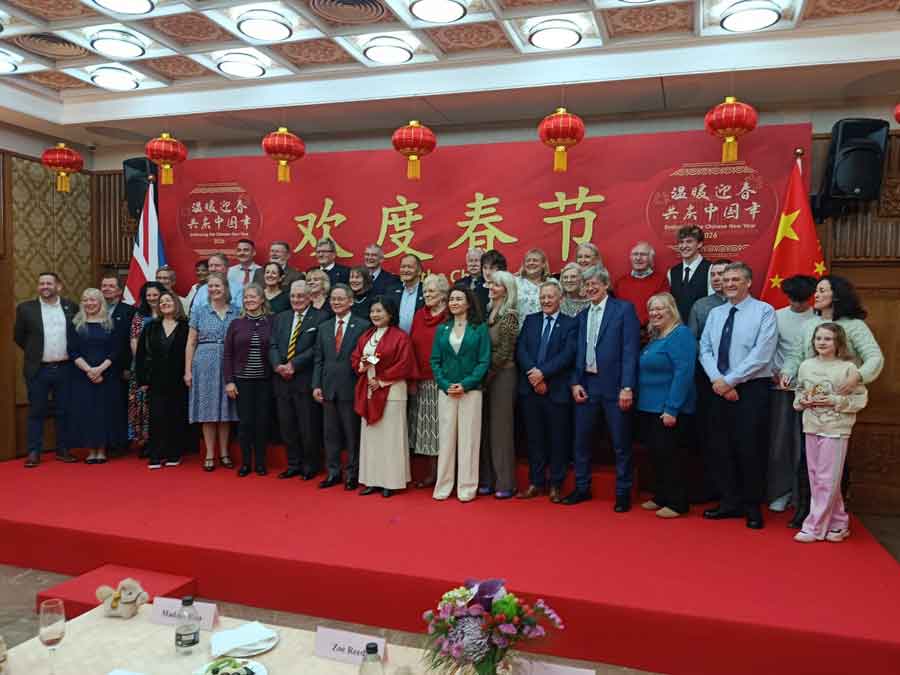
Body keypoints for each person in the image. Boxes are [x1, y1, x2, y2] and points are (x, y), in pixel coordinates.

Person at [780, 274, 884, 528]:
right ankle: (807, 508)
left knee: (835, 464)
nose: (816, 294)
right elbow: (795, 355)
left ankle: (834, 516)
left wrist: (857, 376)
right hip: (810, 402)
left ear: (836, 295)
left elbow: (875, 357)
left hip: (839, 403)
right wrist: (788, 371)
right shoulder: (809, 325)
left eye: (822, 290)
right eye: (816, 290)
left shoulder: (855, 326)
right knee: (808, 460)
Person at [699, 262, 778, 530]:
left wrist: (730, 381)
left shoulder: (764, 312)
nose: (729, 283)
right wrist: (718, 381)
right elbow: (705, 349)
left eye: (735, 279)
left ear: (748, 283)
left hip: (752, 389)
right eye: (725, 278)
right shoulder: (716, 313)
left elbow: (762, 354)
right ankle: (729, 501)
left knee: (750, 448)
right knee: (720, 447)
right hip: (717, 386)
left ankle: (752, 506)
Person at [567, 265, 640, 510]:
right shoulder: (582, 315)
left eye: (594, 284)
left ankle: (622, 493)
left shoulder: (624, 310)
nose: (590, 288)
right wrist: (575, 382)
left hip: (615, 386)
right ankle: (582, 487)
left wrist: (627, 386)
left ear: (606, 284)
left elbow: (630, 351)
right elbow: (578, 352)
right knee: (581, 440)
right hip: (587, 384)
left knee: (620, 443)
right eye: (586, 285)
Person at [792, 323, 868, 543]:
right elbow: (799, 393)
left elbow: (859, 399)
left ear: (838, 343)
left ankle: (813, 527)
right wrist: (802, 401)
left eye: (827, 339)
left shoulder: (848, 369)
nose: (822, 343)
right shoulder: (805, 365)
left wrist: (835, 400)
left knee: (828, 478)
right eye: (818, 338)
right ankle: (838, 522)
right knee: (817, 478)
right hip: (811, 426)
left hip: (836, 429)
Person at [637, 293, 697, 518]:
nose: (655, 313)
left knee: (671, 455)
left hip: (669, 408)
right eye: (652, 309)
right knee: (656, 454)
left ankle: (677, 502)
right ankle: (661, 495)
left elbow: (684, 374)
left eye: (660, 308)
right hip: (649, 407)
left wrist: (672, 408)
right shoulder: (657, 336)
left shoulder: (681, 335)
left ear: (672, 309)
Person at [516, 280, 576, 502]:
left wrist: (543, 373)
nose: (546, 301)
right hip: (531, 389)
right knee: (534, 438)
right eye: (543, 297)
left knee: (558, 439)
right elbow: (521, 348)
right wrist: (534, 374)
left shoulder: (570, 324)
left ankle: (556, 485)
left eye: (550, 297)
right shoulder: (530, 321)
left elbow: (568, 354)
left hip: (556, 389)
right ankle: (536, 482)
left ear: (560, 299)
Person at [430, 288, 491, 502]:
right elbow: (435, 361)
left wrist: (466, 384)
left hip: (471, 391)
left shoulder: (479, 328)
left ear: (468, 303)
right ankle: (444, 486)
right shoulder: (442, 329)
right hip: (446, 391)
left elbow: (484, 361)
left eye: (459, 299)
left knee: (469, 440)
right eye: (452, 299)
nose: (454, 302)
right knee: (446, 440)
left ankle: (466, 487)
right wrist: (445, 384)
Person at [352, 297, 415, 498]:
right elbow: (357, 358)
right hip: (369, 391)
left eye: (379, 311)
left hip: (392, 392)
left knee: (391, 439)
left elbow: (404, 364)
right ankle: (372, 480)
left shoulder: (400, 337)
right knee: (372, 439)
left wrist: (382, 381)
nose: (375, 315)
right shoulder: (367, 335)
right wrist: (362, 364)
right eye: (372, 311)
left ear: (390, 314)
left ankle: (391, 481)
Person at [14, 273, 79, 467]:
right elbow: (19, 337)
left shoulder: (70, 307)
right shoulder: (26, 309)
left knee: (64, 411)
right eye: (41, 283)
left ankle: (63, 449)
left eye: (49, 283)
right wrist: (37, 352)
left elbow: (76, 334)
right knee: (36, 412)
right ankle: (34, 452)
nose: (44, 286)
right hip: (38, 369)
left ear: (58, 286)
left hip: (65, 368)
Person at [312, 284, 371, 489]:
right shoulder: (324, 327)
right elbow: (318, 359)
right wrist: (316, 385)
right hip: (328, 388)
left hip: (351, 387)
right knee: (330, 434)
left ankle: (353, 474)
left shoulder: (362, 325)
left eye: (340, 299)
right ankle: (333, 472)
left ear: (350, 301)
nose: (336, 302)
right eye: (333, 299)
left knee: (351, 434)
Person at [767, 275, 818, 513]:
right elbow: (767, 348)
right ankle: (780, 491)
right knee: (780, 443)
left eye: (802, 300)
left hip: (811, 392)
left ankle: (802, 497)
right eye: (793, 300)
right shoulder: (776, 316)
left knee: (805, 445)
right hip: (782, 389)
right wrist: (774, 373)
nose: (797, 305)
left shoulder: (818, 320)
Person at [271, 280, 329, 480]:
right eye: (293, 296)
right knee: (287, 426)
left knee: (308, 426)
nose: (296, 300)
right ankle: (293, 464)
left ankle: (310, 465)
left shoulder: (321, 317)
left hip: (305, 379)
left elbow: (317, 348)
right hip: (281, 379)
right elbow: (272, 344)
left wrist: (294, 365)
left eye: (301, 296)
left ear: (310, 298)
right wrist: (278, 365)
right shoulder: (281, 318)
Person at [185, 272, 239, 472]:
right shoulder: (199, 311)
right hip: (204, 362)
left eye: (218, 286)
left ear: (226, 288)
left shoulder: (236, 311)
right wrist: (187, 371)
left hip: (229, 362)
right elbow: (191, 342)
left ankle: (224, 452)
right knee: (208, 410)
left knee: (225, 410)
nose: (214, 289)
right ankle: (209, 453)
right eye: (211, 286)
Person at [66, 289, 123, 464]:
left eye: (93, 300)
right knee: (87, 412)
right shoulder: (75, 324)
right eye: (85, 300)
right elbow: (72, 351)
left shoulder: (111, 324)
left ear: (100, 302)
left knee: (104, 412)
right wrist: (89, 370)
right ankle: (91, 450)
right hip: (82, 375)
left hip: (107, 375)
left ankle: (102, 449)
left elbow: (116, 351)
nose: (89, 303)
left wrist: (100, 370)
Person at [135, 290, 189, 469]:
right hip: (155, 380)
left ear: (176, 304)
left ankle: (174, 453)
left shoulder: (186, 326)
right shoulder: (151, 326)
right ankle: (156, 455)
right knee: (156, 417)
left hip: (178, 380)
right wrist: (142, 380)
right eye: (162, 301)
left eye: (168, 301)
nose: (164, 303)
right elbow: (141, 354)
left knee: (175, 416)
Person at [224, 284, 274, 477]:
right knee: (245, 423)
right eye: (246, 297)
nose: (249, 300)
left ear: (262, 300)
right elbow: (227, 354)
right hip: (241, 381)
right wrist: (229, 381)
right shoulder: (236, 324)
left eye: (253, 297)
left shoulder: (272, 321)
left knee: (262, 422)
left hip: (265, 380)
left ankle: (260, 463)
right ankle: (245, 463)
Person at [479, 270, 519, 499]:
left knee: (500, 431)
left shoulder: (510, 315)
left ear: (507, 290)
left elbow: (505, 351)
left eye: (496, 285)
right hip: (487, 376)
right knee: (485, 428)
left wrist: (486, 372)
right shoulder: (488, 312)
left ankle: (505, 482)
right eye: (490, 284)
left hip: (502, 375)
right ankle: (487, 479)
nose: (491, 288)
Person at [409, 273, 450, 488]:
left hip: (444, 382)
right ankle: (432, 474)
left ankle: (445, 475)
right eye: (425, 291)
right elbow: (412, 347)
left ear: (443, 294)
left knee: (443, 429)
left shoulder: (451, 315)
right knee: (427, 431)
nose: (427, 295)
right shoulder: (418, 315)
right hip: (422, 381)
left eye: (431, 291)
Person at [100, 272, 135, 454]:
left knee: (119, 405)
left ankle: (119, 443)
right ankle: (102, 441)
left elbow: (131, 342)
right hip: (97, 368)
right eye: (104, 286)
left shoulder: (128, 311)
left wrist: (129, 366)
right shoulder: (93, 309)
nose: (106, 289)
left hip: (120, 368)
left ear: (119, 291)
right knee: (101, 406)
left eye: (110, 286)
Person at [128, 282, 165, 451]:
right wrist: (145, 363)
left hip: (163, 368)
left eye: (155, 295)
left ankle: (162, 440)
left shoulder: (168, 314)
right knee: (143, 406)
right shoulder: (139, 316)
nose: (151, 298)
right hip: (142, 368)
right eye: (148, 295)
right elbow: (134, 341)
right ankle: (145, 441)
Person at [613, 242, 669, 332]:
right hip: (625, 332)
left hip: (652, 332)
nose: (638, 258)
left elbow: (663, 309)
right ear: (631, 258)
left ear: (650, 259)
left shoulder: (661, 280)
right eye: (635, 254)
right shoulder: (620, 282)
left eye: (643, 254)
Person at [668, 226, 713, 326]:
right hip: (677, 330)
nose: (684, 246)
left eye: (689, 241)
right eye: (681, 242)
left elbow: (712, 305)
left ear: (699, 244)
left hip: (702, 330)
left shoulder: (711, 269)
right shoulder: (672, 272)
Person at [686, 259, 731, 338]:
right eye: (712, 275)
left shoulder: (744, 304)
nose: (715, 278)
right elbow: (691, 339)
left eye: (720, 274)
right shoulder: (699, 305)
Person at [515, 248, 550, 330]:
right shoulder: (515, 282)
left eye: (535, 260)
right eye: (528, 261)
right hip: (520, 333)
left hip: (546, 333)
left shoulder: (552, 283)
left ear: (543, 264)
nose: (531, 263)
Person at [392, 254, 425, 333]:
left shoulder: (426, 290)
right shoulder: (391, 291)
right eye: (403, 267)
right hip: (396, 340)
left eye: (410, 267)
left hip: (418, 338)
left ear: (419, 271)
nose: (405, 270)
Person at [453, 247, 489, 314]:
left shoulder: (489, 282)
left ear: (483, 263)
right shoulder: (459, 283)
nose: (473, 264)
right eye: (470, 261)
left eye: (476, 260)